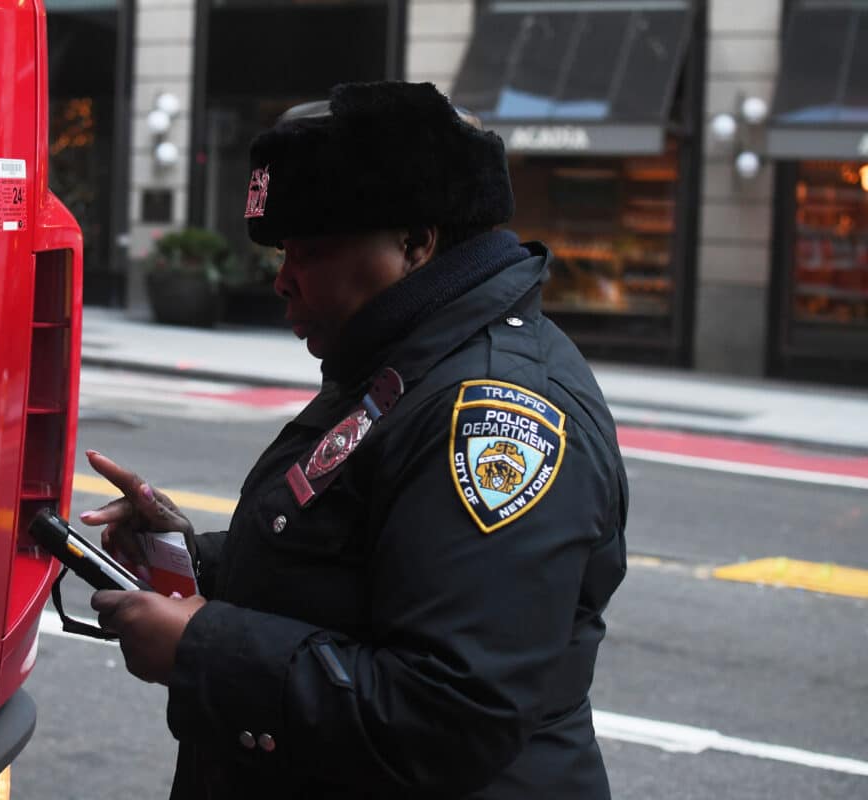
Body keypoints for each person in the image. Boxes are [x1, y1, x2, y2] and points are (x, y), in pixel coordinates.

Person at [84, 81, 627, 799]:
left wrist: (201, 647)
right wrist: (189, 558)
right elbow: (354, 563)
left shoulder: (495, 410)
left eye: (308, 250)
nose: (283, 281)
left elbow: (448, 712)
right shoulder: (401, 354)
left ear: (413, 244)